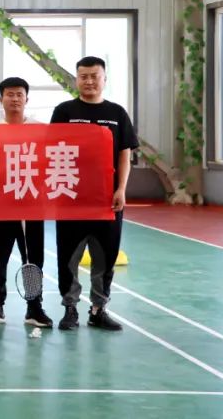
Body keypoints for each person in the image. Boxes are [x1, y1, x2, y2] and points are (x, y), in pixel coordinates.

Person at [51, 56, 138, 332]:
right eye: (84, 76)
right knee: (69, 257)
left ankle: (98, 310)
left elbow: (124, 155)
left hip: (107, 202)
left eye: (94, 76)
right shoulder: (64, 111)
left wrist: (121, 189)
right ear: (76, 79)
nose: (89, 81)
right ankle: (70, 309)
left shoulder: (117, 113)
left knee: (105, 257)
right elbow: (51, 151)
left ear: (104, 79)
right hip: (71, 200)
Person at [0, 77, 53, 328]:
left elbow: (49, 162)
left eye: (19, 94)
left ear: (26, 99)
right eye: (9, 94)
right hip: (0, 205)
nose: (14, 99)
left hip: (31, 204)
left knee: (32, 259)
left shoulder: (41, 129)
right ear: (1, 99)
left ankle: (34, 308)